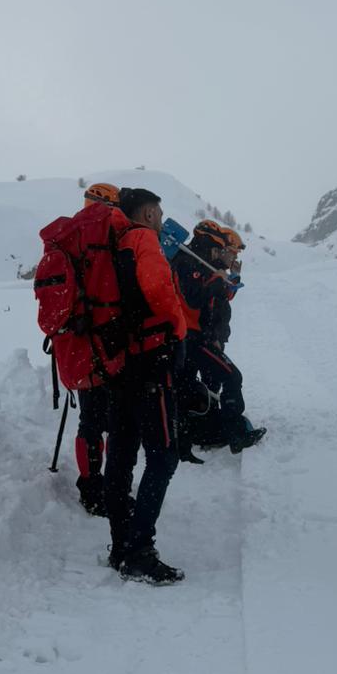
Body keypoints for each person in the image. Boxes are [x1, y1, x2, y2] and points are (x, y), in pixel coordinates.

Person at [103, 187, 189, 584]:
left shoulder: (112, 243)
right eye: (159, 213)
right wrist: (178, 330)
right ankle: (139, 550)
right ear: (150, 213)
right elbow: (157, 289)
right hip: (151, 363)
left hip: (119, 364)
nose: (160, 220)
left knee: (121, 453)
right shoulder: (142, 239)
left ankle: (121, 544)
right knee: (163, 456)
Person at [175, 220, 266, 455]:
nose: (232, 256)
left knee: (195, 386)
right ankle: (235, 433)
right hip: (193, 338)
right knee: (231, 377)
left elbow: (220, 296)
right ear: (213, 246)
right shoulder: (188, 262)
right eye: (229, 251)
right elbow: (195, 298)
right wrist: (218, 279)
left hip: (199, 337)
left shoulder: (202, 264)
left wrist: (230, 277)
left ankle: (202, 432)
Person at [71, 183, 120, 516]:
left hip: (77, 340)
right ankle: (101, 487)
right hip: (110, 338)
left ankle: (90, 485)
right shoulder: (110, 235)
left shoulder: (70, 235)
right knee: (113, 417)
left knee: (89, 419)